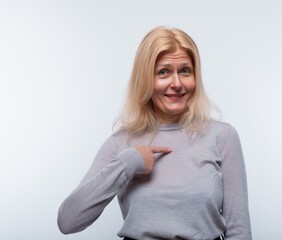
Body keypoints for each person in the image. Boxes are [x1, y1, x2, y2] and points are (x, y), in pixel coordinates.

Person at [57, 26, 252, 240]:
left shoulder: (222, 136)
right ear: (145, 80)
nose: (176, 83)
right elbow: (68, 221)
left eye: (185, 71)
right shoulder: (121, 143)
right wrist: (127, 164)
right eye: (163, 72)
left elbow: (239, 231)